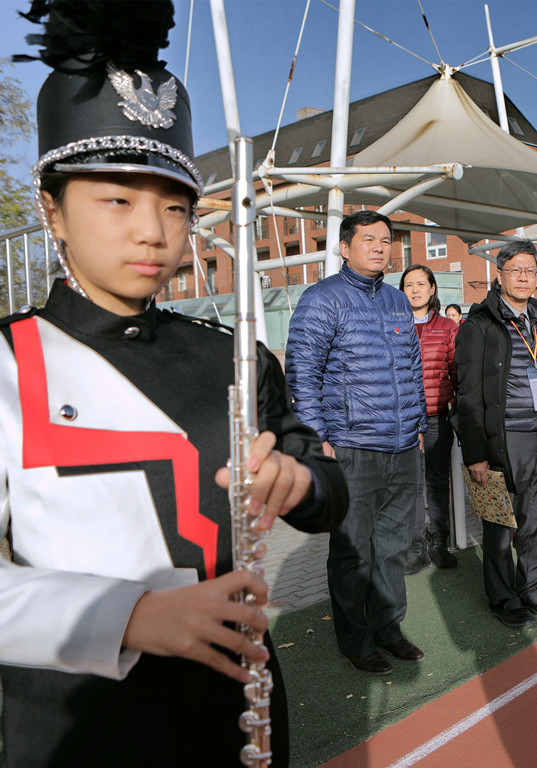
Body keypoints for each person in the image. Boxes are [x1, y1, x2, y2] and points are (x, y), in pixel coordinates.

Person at [0, 3, 348, 764]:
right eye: (117, 199)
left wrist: (300, 482)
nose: (153, 231)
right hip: (74, 730)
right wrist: (128, 616)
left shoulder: (235, 356)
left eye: (175, 206)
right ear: (53, 211)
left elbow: (326, 489)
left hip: (235, 713)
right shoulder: (7, 362)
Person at [286, 210, 427, 676]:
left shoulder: (397, 300)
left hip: (402, 446)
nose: (380, 247)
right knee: (353, 552)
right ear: (345, 248)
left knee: (393, 547)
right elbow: (301, 373)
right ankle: (356, 640)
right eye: (369, 239)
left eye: (386, 240)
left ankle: (389, 629)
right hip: (350, 445)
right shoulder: (322, 298)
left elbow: (411, 368)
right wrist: (317, 438)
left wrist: (419, 425)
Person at [454, 239, 537, 629]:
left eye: (530, 270)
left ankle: (532, 590)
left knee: (536, 522)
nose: (523, 277)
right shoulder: (480, 324)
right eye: (515, 270)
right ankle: (503, 598)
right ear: (500, 274)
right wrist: (475, 453)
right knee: (500, 525)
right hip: (503, 440)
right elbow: (468, 394)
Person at [401, 265, 459, 572]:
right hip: (404, 419)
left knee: (437, 481)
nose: (415, 290)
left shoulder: (447, 327)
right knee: (411, 483)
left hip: (437, 417)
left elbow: (456, 369)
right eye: (408, 284)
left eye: (421, 284)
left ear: (432, 288)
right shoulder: (394, 325)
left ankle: (439, 541)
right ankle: (416, 544)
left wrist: (456, 400)